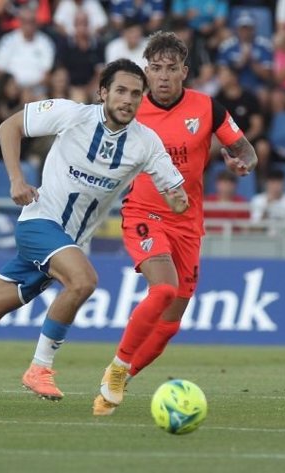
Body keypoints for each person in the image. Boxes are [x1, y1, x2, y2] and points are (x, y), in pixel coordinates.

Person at [0, 58, 190, 411]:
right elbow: (9, 126)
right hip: (39, 223)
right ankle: (40, 367)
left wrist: (178, 200)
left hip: (66, 242)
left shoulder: (146, 142)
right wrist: (15, 178)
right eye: (120, 90)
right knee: (84, 281)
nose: (128, 100)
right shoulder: (72, 115)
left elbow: (175, 190)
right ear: (103, 92)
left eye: (136, 94)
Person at [92, 32, 257, 416]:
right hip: (144, 214)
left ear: (185, 71)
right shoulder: (128, 109)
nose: (163, 77)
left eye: (171, 69)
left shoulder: (207, 108)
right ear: (146, 71)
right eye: (156, 68)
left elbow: (243, 147)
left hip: (188, 223)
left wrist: (244, 161)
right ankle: (117, 367)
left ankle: (120, 379)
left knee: (169, 325)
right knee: (163, 288)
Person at [249, 167, 285, 233]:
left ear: (284, 183)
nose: (276, 186)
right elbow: (255, 230)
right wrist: (267, 207)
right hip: (264, 240)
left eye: (279, 182)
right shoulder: (258, 200)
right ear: (266, 183)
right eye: (273, 182)